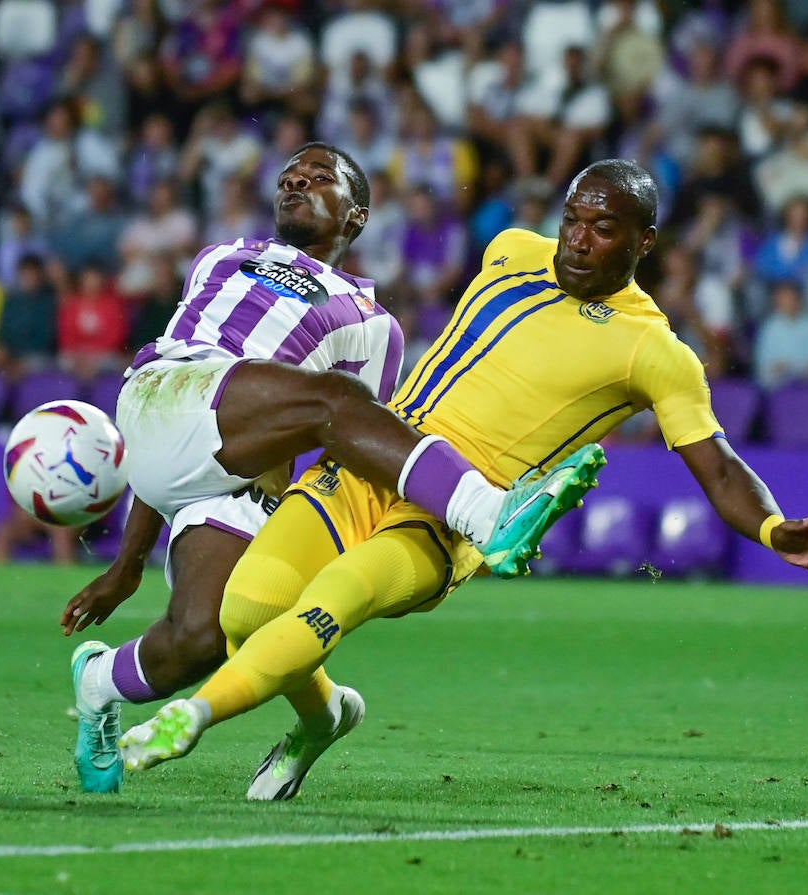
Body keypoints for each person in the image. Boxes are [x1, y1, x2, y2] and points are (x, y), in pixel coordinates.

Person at [113, 160, 808, 800]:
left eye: (604, 229)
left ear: (644, 242)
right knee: (247, 612)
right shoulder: (509, 249)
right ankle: (323, 720)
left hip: (447, 521)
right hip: (371, 467)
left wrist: (772, 527)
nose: (579, 238)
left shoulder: (654, 351)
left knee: (331, 604)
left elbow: (718, 462)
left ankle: (190, 720)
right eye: (574, 218)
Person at [63, 142, 604, 793]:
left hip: (242, 469)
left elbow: (353, 449)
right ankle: (488, 510)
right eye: (290, 176)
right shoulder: (223, 257)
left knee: (205, 637)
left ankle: (98, 682)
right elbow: (183, 428)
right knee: (336, 403)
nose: (297, 182)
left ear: (356, 217)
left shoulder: (374, 326)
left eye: (320, 178)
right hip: (169, 393)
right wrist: (127, 564)